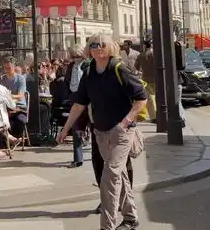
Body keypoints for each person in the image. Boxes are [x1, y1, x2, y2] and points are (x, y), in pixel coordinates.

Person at [58, 34, 147, 230]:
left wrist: (125, 122)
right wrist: (65, 129)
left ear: (110, 47)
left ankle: (107, 226)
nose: (98, 48)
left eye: (103, 44)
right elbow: (79, 103)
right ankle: (131, 218)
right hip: (101, 132)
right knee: (119, 174)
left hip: (121, 132)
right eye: (94, 45)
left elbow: (142, 97)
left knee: (110, 177)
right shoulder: (89, 72)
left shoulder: (119, 68)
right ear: (89, 48)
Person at [0, 56, 27, 139]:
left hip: (19, 107)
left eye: (9, 67)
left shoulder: (20, 79)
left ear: (14, 67)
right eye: (5, 67)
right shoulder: (1, 79)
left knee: (20, 121)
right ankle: (8, 140)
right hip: (6, 108)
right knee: (0, 121)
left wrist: (8, 95)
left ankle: (16, 138)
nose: (7, 69)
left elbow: (20, 97)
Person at [134, 39, 156, 122]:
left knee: (150, 98)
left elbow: (136, 67)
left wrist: (142, 70)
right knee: (159, 97)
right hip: (157, 78)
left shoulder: (141, 55)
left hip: (146, 78)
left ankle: (153, 116)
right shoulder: (156, 54)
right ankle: (159, 114)